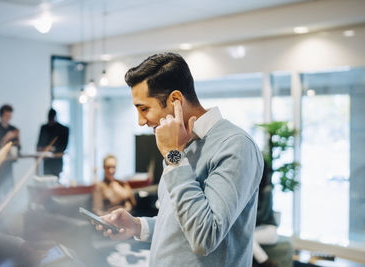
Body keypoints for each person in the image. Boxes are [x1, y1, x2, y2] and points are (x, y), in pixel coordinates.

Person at [95, 53, 264, 266]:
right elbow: (181, 223)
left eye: (144, 109)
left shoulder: (235, 145)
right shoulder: (179, 146)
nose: (140, 121)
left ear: (175, 100)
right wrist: (137, 225)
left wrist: (173, 156)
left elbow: (204, 237)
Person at [0, 104, 20, 198]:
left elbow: (18, 147)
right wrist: (6, 138)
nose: (8, 118)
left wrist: (18, 139)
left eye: (10, 116)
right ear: (2, 115)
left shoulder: (13, 129)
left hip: (8, 163)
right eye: (7, 115)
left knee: (9, 189)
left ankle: (9, 210)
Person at [252, 171, 279, 267]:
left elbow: (263, 215)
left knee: (248, 238)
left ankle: (266, 263)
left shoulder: (267, 190)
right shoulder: (255, 189)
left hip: (269, 229)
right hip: (259, 229)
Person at [36, 108, 69, 177]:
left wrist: (53, 149)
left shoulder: (63, 129)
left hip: (57, 161)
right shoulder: (44, 128)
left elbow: (63, 147)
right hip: (47, 162)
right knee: (46, 180)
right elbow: (39, 146)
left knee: (55, 180)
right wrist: (46, 148)